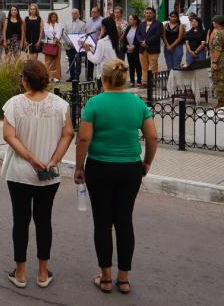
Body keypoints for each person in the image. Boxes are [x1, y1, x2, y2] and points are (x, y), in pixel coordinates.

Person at [74, 59, 158, 295]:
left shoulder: (94, 103)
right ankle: (124, 278)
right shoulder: (137, 103)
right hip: (131, 168)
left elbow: (83, 139)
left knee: (102, 222)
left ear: (104, 79)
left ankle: (106, 276)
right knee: (124, 221)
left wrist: (79, 166)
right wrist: (147, 161)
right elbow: (152, 137)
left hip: (100, 166)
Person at [2, 60, 74, 289]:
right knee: (44, 221)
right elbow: (68, 134)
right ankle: (43, 273)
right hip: (49, 173)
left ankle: (20, 273)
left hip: (19, 173)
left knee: (20, 221)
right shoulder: (60, 105)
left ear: (25, 79)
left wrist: (31, 159)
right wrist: (53, 160)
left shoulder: (13, 104)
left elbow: (8, 136)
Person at [210, 16, 224, 107]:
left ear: (217, 23)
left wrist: (214, 61)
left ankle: (221, 102)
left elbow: (217, 49)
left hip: (220, 58)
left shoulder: (218, 33)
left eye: (214, 21)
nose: (213, 23)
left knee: (218, 80)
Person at [135, 7, 163, 81]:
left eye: (150, 13)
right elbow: (138, 34)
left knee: (153, 67)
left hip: (153, 48)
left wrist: (146, 42)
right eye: (147, 13)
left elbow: (157, 35)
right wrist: (141, 42)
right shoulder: (141, 24)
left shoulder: (158, 24)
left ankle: (153, 82)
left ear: (154, 14)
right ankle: (144, 82)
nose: (148, 14)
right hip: (142, 49)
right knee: (144, 67)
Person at [63, 8, 87, 82]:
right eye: (72, 13)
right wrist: (69, 42)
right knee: (71, 61)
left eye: (75, 13)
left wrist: (75, 44)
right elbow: (64, 33)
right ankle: (72, 76)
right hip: (69, 45)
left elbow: (82, 35)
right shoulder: (67, 23)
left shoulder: (82, 24)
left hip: (78, 46)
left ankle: (77, 77)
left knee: (78, 61)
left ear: (78, 14)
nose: (74, 15)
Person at [41, 12, 64, 82]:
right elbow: (46, 32)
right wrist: (53, 38)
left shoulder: (59, 24)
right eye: (52, 16)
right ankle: (48, 76)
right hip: (48, 43)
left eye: (55, 16)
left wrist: (56, 39)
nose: (53, 18)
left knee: (56, 61)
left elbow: (59, 32)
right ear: (50, 17)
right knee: (48, 61)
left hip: (57, 44)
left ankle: (56, 77)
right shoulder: (46, 24)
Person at [84, 7, 103, 79]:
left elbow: (103, 32)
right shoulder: (89, 20)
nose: (93, 13)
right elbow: (86, 31)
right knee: (89, 62)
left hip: (98, 45)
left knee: (98, 62)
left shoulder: (102, 20)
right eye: (92, 12)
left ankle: (99, 79)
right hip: (89, 44)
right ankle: (89, 78)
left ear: (98, 13)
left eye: (95, 12)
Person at [124, 15, 142, 87]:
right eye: (129, 19)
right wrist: (127, 46)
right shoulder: (128, 28)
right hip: (129, 49)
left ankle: (139, 81)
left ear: (135, 20)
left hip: (136, 49)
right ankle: (132, 81)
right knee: (131, 66)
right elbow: (124, 38)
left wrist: (134, 46)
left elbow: (140, 38)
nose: (129, 21)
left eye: (131, 19)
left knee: (138, 65)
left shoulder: (139, 28)